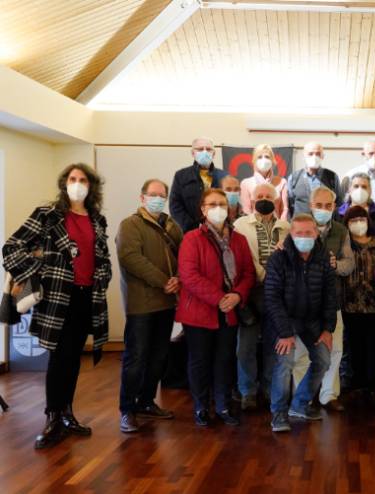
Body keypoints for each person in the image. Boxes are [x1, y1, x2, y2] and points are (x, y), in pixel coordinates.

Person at [2, 164, 112, 449]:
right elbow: (11, 247)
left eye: (83, 179)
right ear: (64, 183)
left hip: (88, 296)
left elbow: (103, 258)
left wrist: (104, 277)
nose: (77, 184)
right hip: (58, 297)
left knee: (74, 358)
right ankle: (52, 417)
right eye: (72, 179)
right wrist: (40, 271)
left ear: (91, 186)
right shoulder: (47, 215)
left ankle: (67, 414)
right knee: (59, 357)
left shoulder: (97, 220)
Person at [175, 189, 255, 427]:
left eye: (222, 204)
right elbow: (189, 275)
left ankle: (222, 405)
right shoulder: (192, 238)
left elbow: (248, 273)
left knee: (225, 360)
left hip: (229, 312)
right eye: (212, 204)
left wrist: (237, 295)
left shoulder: (239, 239)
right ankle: (201, 406)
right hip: (200, 312)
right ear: (203, 209)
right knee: (200, 361)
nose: (218, 208)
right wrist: (220, 298)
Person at [117, 179, 184, 433]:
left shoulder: (171, 225)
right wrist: (163, 280)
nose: (158, 198)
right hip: (141, 305)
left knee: (158, 357)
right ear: (142, 197)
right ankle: (128, 410)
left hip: (166, 302)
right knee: (136, 358)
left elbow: (184, 255)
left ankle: (146, 402)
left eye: (162, 195)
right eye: (153, 194)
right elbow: (131, 258)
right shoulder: (130, 224)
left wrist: (178, 278)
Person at [264, 214, 336, 432]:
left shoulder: (323, 257)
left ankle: (300, 404)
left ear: (316, 233)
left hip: (312, 321)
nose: (304, 237)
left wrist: (328, 329)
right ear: (291, 234)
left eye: (308, 232)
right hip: (285, 320)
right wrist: (285, 332)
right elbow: (272, 297)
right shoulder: (278, 258)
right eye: (299, 233)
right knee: (284, 363)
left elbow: (330, 295)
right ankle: (278, 413)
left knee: (323, 360)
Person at [292, 186, 355, 412]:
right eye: (318, 205)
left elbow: (350, 263)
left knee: (335, 349)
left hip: (331, 301)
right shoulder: (298, 226)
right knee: (301, 353)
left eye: (328, 205)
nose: (323, 209)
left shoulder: (341, 230)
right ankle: (303, 396)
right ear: (310, 205)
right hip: (303, 303)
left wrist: (336, 265)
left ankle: (329, 395)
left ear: (334, 207)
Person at [232, 183, 291, 410]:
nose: (264, 199)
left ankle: (267, 388)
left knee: (272, 345)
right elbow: (242, 256)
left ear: (276, 201)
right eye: (259, 196)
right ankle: (247, 391)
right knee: (245, 347)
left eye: (268, 196)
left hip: (278, 294)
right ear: (252, 200)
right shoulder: (240, 225)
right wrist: (265, 275)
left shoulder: (286, 227)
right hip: (251, 291)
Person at [341, 206, 375, 395]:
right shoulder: (344, 244)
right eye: (353, 220)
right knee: (354, 344)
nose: (358, 223)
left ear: (368, 221)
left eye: (362, 219)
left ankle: (373, 382)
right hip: (350, 304)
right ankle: (357, 380)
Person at [170, 137, 228, 232]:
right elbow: (175, 206)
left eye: (208, 149)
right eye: (200, 149)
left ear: (214, 153)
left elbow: (229, 205)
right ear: (193, 153)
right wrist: (192, 228)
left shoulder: (224, 176)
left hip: (219, 230)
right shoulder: (181, 176)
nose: (205, 152)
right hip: (190, 231)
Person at [287, 142, 341, 216]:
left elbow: (338, 202)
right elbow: (290, 204)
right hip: (301, 221)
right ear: (304, 156)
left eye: (318, 154)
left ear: (322, 156)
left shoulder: (332, 177)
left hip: (326, 221)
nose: (314, 157)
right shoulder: (294, 177)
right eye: (310, 154)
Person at [240, 144, 289, 220]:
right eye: (259, 157)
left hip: (277, 225)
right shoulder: (246, 183)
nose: (264, 159)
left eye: (267, 157)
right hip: (254, 225)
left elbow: (284, 209)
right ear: (254, 161)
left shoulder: (282, 182)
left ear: (272, 160)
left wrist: (281, 225)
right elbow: (246, 210)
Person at [336, 172, 375, 237]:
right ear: (349, 190)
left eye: (364, 187)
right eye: (356, 186)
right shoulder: (337, 214)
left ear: (370, 191)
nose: (360, 190)